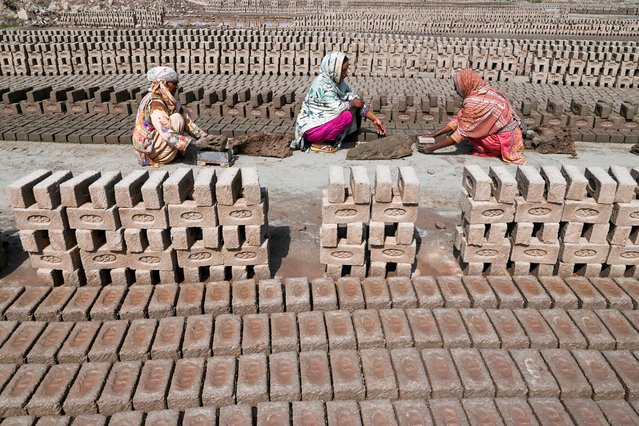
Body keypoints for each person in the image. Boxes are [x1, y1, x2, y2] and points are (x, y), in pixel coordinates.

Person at [419, 69, 526, 165]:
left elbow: (461, 133)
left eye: (457, 87)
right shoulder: (482, 91)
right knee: (470, 126)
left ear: (465, 85)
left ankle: (490, 149)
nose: (455, 90)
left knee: (471, 132)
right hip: (512, 135)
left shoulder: (474, 102)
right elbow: (459, 119)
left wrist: (432, 148)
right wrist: (434, 135)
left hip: (504, 142)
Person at [291, 51, 386, 153]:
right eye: (343, 70)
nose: (346, 74)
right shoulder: (322, 85)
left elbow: (355, 99)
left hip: (321, 126)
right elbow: (339, 107)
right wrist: (353, 104)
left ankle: (327, 137)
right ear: (333, 69)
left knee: (351, 107)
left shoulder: (338, 83)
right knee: (346, 116)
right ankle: (318, 144)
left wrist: (375, 120)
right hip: (311, 130)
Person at [132, 66, 210, 166]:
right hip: (149, 152)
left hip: (157, 145)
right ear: (163, 83)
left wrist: (203, 136)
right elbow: (166, 133)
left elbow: (188, 123)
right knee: (177, 118)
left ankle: (173, 150)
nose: (177, 86)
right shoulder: (155, 104)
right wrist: (194, 143)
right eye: (174, 83)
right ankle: (167, 154)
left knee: (182, 111)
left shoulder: (167, 99)